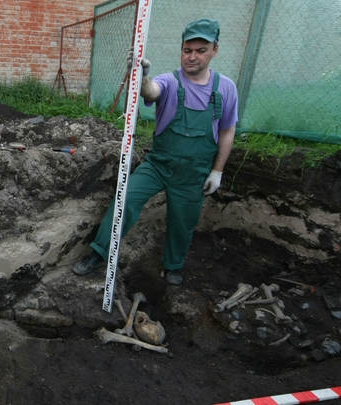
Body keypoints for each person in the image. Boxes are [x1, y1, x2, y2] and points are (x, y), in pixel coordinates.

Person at [72, 18, 238, 286]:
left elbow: (227, 130)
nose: (192, 57)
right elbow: (152, 90)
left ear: (214, 50)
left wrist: (217, 171)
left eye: (200, 51)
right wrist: (143, 75)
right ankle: (100, 252)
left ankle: (173, 265)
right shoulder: (170, 82)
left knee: (182, 222)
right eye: (187, 50)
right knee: (125, 200)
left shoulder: (225, 88)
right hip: (158, 164)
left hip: (194, 172)